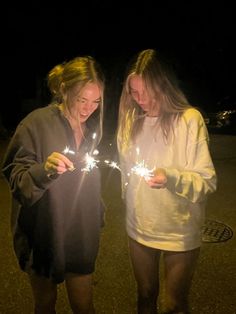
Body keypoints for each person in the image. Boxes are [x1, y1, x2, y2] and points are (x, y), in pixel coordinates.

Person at [1, 55, 105, 313]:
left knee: (84, 305)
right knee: (45, 304)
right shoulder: (35, 123)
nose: (88, 108)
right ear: (63, 89)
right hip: (43, 234)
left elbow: (89, 180)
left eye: (96, 101)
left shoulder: (92, 130)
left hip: (80, 234)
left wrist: (97, 211)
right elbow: (17, 180)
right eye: (82, 99)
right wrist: (44, 170)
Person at [117, 49, 217, 314]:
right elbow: (126, 171)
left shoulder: (189, 120)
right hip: (139, 228)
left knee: (174, 305)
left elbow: (207, 182)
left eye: (147, 91)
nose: (141, 100)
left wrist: (171, 177)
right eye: (134, 93)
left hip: (179, 231)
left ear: (164, 84)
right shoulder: (130, 122)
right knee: (145, 295)